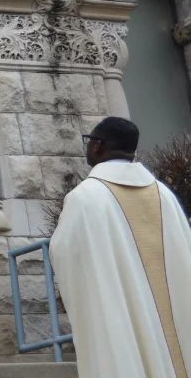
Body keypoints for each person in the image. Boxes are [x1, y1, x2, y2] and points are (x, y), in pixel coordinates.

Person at [50, 117, 191, 378]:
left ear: (97, 146)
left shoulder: (86, 197)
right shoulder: (164, 195)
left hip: (121, 315)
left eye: (89, 141)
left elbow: (66, 255)